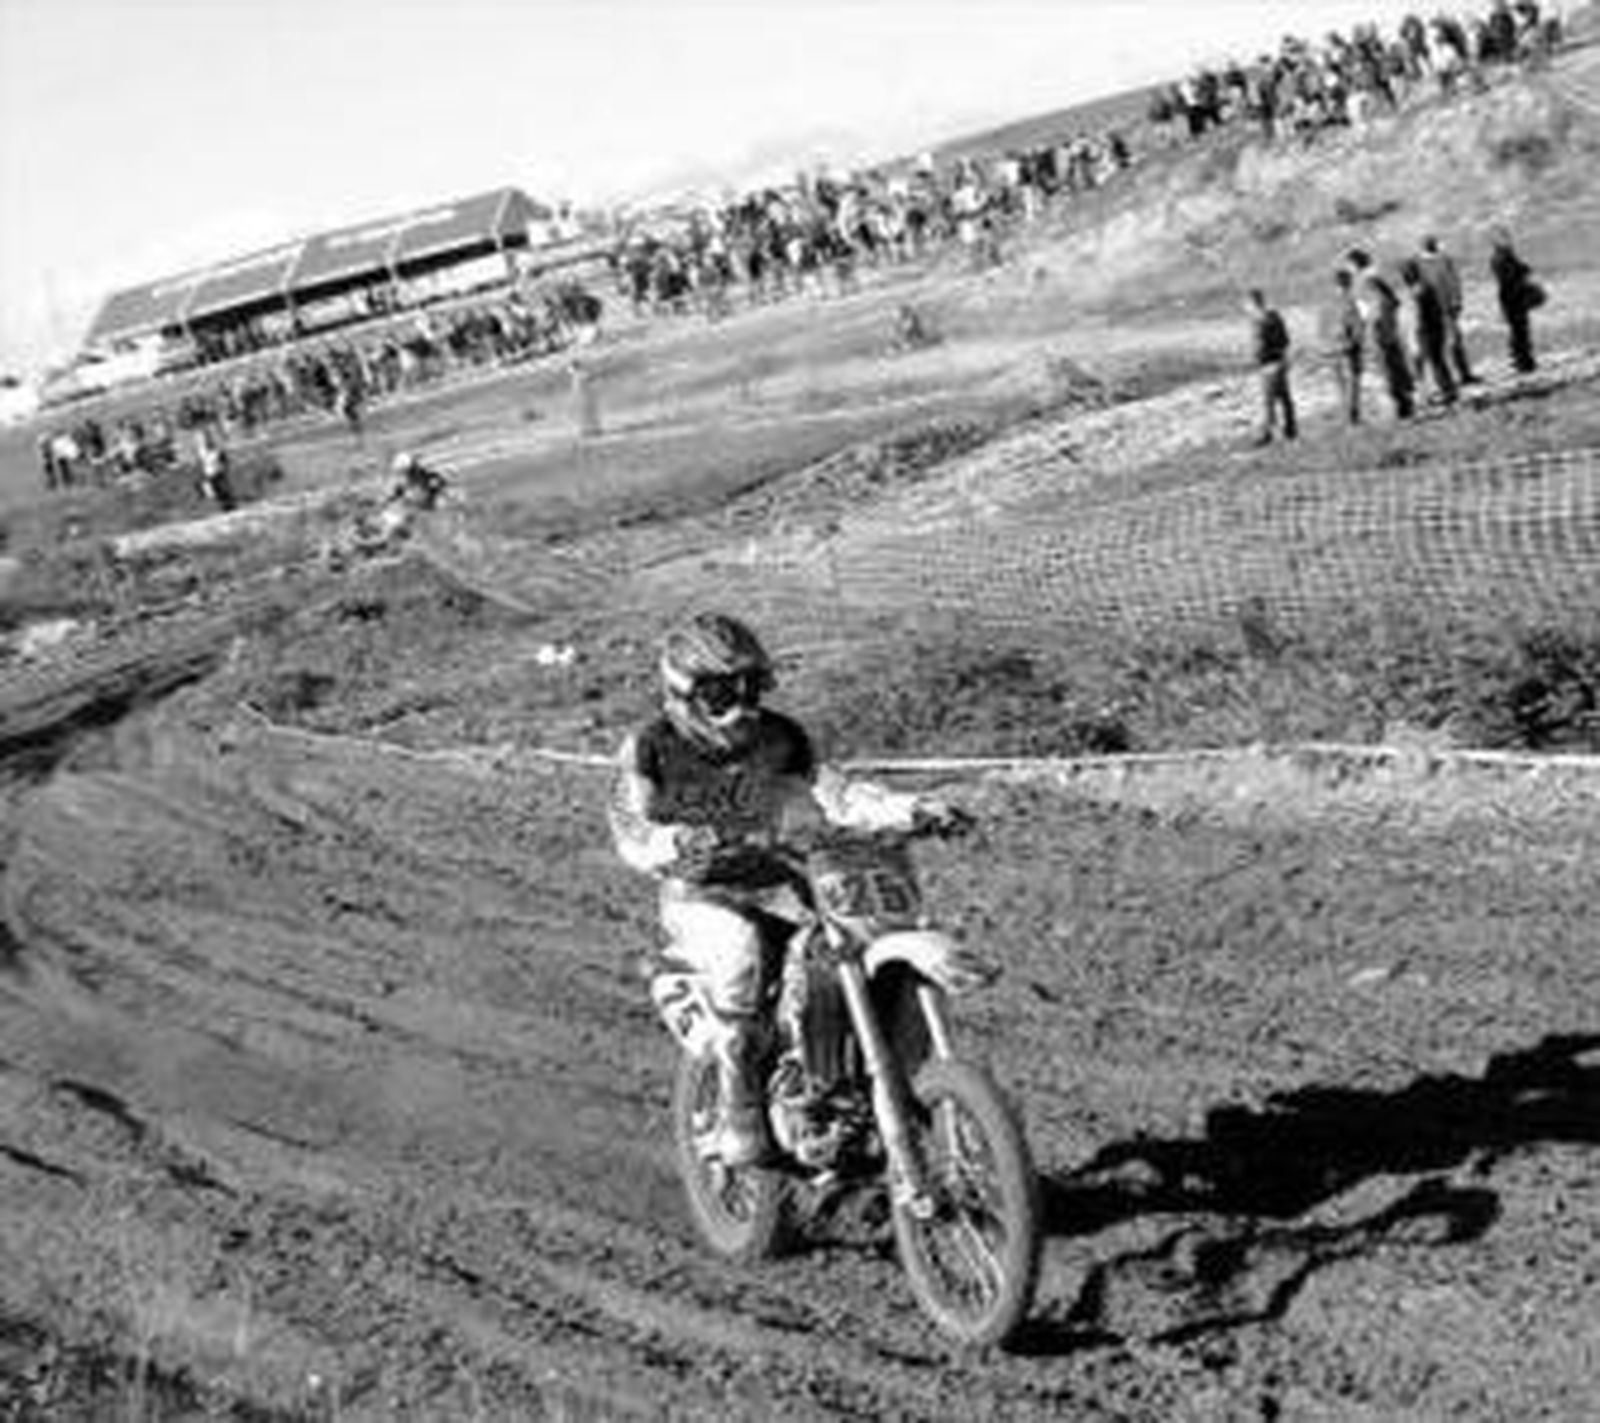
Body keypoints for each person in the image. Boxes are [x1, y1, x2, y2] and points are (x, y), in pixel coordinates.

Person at [609, 613, 972, 1166]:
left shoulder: (781, 738)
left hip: (786, 881)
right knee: (741, 958)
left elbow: (837, 794)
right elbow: (631, 827)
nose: (741, 707)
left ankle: (858, 1077)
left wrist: (912, 809)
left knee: (850, 944)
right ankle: (737, 1115)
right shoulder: (651, 747)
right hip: (703, 891)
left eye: (751, 688)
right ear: (682, 693)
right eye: (721, 693)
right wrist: (675, 840)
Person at [1346, 248, 1414, 420]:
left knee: (1388, 365)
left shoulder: (1364, 281)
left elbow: (1376, 303)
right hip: (1385, 326)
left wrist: (1373, 323)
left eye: (1349, 264)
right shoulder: (1371, 278)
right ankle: (1406, 399)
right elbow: (1393, 301)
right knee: (1394, 362)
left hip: (1378, 328)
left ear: (1354, 264)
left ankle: (1402, 405)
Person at [1415, 234, 1476, 387]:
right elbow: (1450, 282)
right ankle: (1451, 379)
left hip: (1446, 308)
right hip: (1436, 310)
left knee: (1454, 342)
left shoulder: (1442, 260)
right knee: (1442, 345)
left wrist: (1457, 300)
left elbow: (1454, 281)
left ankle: (1463, 375)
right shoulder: (1422, 264)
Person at [1400, 258, 1458, 408]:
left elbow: (1418, 317)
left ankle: (1446, 392)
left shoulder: (1416, 292)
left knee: (1434, 363)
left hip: (1426, 332)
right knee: (1439, 361)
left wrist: (1414, 336)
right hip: (1437, 328)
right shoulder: (1427, 286)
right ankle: (1448, 389)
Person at [1246, 288, 1297, 444]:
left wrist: (1255, 359)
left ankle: (1270, 434)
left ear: (1253, 303)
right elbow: (1286, 339)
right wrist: (1285, 356)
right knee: (1284, 398)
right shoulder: (1275, 316)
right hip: (1280, 360)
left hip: (1267, 364)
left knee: (1269, 402)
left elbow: (1259, 346)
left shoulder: (1258, 321)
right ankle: (1290, 430)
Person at [1488, 226, 1541, 374]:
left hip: (1513, 296)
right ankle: (1523, 362)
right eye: (1505, 238)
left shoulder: (1505, 255)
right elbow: (1510, 276)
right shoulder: (1501, 257)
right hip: (1512, 297)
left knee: (1519, 329)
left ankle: (1521, 359)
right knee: (1519, 329)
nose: (1509, 240)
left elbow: (1520, 269)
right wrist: (1521, 272)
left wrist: (1522, 270)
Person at [1319, 265, 1366, 425]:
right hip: (1348, 348)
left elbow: (1323, 327)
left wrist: (1326, 347)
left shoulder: (1328, 303)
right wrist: (1357, 342)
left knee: (1341, 384)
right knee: (1353, 383)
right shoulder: (1350, 302)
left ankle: (1346, 414)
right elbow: (1357, 327)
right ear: (1349, 283)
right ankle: (1353, 416)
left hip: (1333, 349)